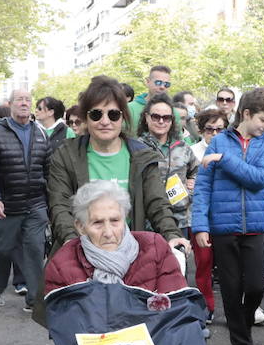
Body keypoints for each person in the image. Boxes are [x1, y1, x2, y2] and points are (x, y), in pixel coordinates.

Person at [47, 77, 186, 254]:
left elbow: (157, 203)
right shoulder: (66, 154)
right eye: (96, 114)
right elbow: (60, 205)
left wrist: (172, 234)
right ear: (86, 118)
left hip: (130, 253)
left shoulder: (143, 156)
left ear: (123, 117)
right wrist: (72, 242)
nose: (105, 121)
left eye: (113, 114)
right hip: (80, 251)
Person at [193, 87, 264, 345]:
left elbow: (259, 180)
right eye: (263, 120)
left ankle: (243, 324)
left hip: (253, 227)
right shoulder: (219, 141)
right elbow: (203, 188)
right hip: (222, 227)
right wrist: (201, 225)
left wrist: (223, 160)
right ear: (246, 114)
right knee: (230, 290)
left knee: (255, 286)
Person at [42, 180, 189, 294]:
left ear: (125, 218)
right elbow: (65, 326)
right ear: (81, 227)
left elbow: (176, 312)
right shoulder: (61, 265)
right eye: (97, 223)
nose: (108, 232)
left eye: (115, 221)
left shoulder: (155, 248)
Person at [0, 88, 50, 312]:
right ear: (10, 104)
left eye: (28, 100)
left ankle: (34, 300)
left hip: (36, 204)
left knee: (35, 251)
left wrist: (51, 201)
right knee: (2, 249)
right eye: (19, 99)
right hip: (7, 205)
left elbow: (48, 170)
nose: (24, 103)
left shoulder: (40, 132)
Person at [137, 91, 199, 245]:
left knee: (178, 267)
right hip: (147, 221)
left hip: (180, 220)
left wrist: (190, 187)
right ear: (146, 117)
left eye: (166, 117)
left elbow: (197, 171)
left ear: (172, 120)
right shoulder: (136, 148)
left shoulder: (183, 147)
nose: (161, 121)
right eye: (155, 116)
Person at [189, 108, 229, 317]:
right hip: (199, 215)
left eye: (220, 129)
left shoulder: (232, 149)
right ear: (201, 130)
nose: (214, 134)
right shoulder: (192, 151)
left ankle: (237, 309)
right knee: (203, 264)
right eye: (209, 129)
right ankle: (207, 306)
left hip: (225, 215)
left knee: (229, 266)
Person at [128, 63, 172, 131]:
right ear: (147, 82)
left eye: (166, 84)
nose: (162, 87)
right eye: (158, 82)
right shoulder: (130, 109)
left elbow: (177, 139)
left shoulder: (173, 111)